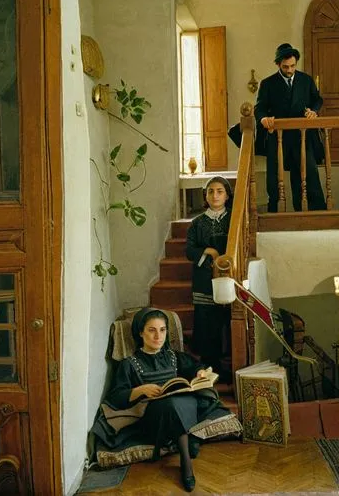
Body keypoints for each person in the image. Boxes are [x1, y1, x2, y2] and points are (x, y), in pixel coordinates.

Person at [90, 307, 233, 492]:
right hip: (155, 414)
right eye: (152, 330)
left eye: (163, 330)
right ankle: (186, 462)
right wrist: (141, 390)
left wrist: (200, 372)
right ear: (140, 333)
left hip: (185, 405)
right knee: (170, 406)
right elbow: (116, 397)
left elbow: (197, 366)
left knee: (179, 403)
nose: (158, 336)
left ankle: (183, 448)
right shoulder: (130, 364)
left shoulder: (174, 357)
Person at [255, 42, 327, 213]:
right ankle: (274, 213)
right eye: (285, 66)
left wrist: (314, 112)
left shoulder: (306, 80)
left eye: (293, 66)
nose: (289, 70)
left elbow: (317, 99)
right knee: (274, 179)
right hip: (277, 138)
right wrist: (264, 118)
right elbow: (260, 107)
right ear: (278, 64)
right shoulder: (268, 83)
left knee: (308, 174)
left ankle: (315, 212)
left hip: (302, 137)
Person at [186, 176, 233, 378]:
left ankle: (228, 363)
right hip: (204, 279)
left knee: (227, 321)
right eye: (211, 191)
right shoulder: (197, 223)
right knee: (206, 321)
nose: (215, 195)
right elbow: (189, 250)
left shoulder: (235, 219)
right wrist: (210, 252)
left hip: (229, 278)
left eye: (220, 191)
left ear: (227, 195)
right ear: (205, 195)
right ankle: (209, 365)